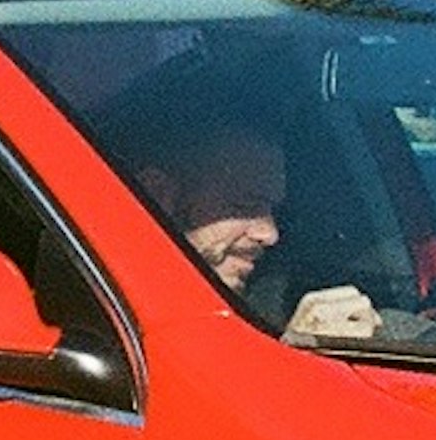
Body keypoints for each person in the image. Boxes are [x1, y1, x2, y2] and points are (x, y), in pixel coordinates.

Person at [120, 115, 397, 344]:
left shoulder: (265, 298)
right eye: (244, 205)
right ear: (158, 193)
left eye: (272, 210)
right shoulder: (103, 312)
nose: (270, 234)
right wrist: (294, 358)